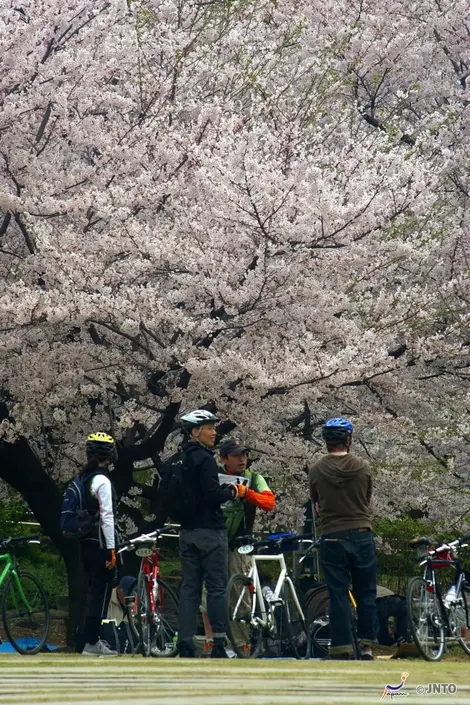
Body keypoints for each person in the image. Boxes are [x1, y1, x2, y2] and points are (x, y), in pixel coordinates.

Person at [177, 410, 247, 659]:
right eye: (209, 427)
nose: (214, 432)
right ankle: (218, 643)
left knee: (189, 589)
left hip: (186, 532)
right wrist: (232, 492)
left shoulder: (179, 458)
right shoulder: (205, 460)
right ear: (196, 431)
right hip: (210, 531)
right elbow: (211, 494)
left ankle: (184, 642)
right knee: (216, 587)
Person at [309, 417, 377, 660]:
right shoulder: (363, 466)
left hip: (332, 535)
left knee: (337, 593)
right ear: (348, 439)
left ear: (327, 442)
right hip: (361, 532)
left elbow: (315, 501)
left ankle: (340, 647)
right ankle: (367, 646)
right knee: (366, 592)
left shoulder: (316, 469)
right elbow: (366, 498)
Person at [200, 438, 275, 656]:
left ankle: (241, 643)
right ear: (224, 459)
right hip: (214, 541)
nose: (242, 459)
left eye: (244, 455)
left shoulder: (254, 478)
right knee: (209, 593)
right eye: (236, 456)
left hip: (240, 545)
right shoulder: (213, 477)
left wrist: (246, 493)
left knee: (241, 592)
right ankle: (210, 640)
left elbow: (269, 503)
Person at [80, 432, 119, 657]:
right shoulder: (102, 480)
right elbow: (107, 516)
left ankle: (89, 639)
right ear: (110, 455)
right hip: (100, 543)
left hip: (84, 543)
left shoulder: (82, 478)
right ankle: (92, 642)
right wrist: (112, 548)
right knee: (101, 592)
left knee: (92, 590)